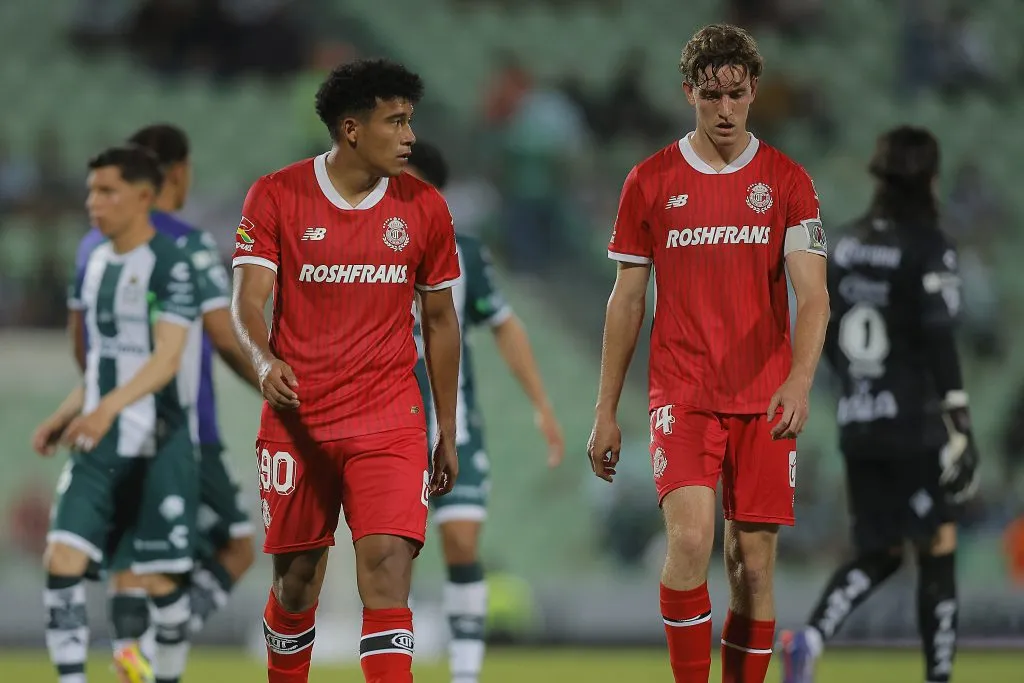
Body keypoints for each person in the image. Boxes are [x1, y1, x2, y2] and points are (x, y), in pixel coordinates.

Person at [586, 23, 831, 683]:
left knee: (752, 567)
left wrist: (800, 381)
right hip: (684, 393)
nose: (724, 109)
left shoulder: (787, 181)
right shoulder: (650, 181)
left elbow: (813, 297)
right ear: (688, 92)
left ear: (754, 93)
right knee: (691, 540)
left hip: (765, 396)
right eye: (710, 95)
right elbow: (627, 300)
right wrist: (605, 408)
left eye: (737, 95)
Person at [230, 59, 462, 683]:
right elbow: (248, 301)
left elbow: (440, 321)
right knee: (298, 584)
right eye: (396, 121)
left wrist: (447, 427)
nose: (410, 135)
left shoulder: (426, 207)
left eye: (411, 120)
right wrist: (263, 358)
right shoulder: (275, 194)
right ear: (352, 129)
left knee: (386, 567)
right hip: (298, 420)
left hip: (389, 418)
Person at [779, 126, 979, 683]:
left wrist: (857, 389)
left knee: (882, 549)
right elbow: (939, 337)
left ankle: (810, 639)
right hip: (914, 421)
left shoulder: (841, 245)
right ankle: (939, 675)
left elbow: (822, 327)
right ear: (930, 181)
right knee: (937, 541)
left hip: (857, 420)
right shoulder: (928, 246)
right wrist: (959, 419)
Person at [69, 124, 259, 680]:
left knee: (132, 557)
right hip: (186, 430)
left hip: (115, 428)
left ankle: (134, 652)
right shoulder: (187, 244)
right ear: (178, 171)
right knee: (237, 549)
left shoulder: (93, 245)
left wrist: (106, 399)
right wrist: (278, 390)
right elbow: (224, 338)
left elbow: (82, 340)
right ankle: (153, 649)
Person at [32, 145, 206, 683]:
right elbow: (104, 362)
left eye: (106, 191)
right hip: (100, 439)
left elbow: (167, 357)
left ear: (143, 197)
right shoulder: (95, 263)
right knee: (61, 559)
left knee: (162, 588)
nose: (93, 202)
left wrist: (104, 408)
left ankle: (164, 675)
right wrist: (65, 414)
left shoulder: (172, 264)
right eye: (90, 191)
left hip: (161, 443)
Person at [406, 141, 565, 683]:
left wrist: (541, 405)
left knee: (461, 540)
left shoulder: (464, 253)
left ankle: (465, 674)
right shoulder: (365, 247)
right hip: (388, 419)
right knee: (388, 553)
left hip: (456, 423)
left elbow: (505, 325)